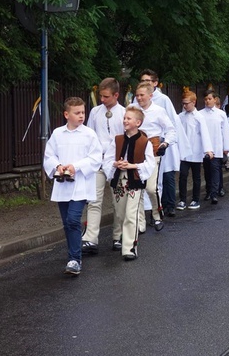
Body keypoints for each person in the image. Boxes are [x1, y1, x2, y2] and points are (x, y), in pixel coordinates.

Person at [43, 97, 102, 275]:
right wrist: (57, 166)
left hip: (81, 185)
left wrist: (76, 167)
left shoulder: (89, 134)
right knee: (67, 223)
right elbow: (49, 155)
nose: (81, 116)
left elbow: (95, 158)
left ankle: (75, 259)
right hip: (63, 185)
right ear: (66, 114)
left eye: (83, 112)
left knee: (73, 220)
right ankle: (72, 254)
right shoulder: (57, 133)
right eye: (77, 113)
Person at [103, 106, 155, 260]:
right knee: (120, 213)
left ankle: (129, 248)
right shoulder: (118, 140)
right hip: (119, 179)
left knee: (131, 214)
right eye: (124, 118)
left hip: (135, 180)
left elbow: (150, 163)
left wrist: (133, 166)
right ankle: (118, 237)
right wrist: (115, 164)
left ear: (138, 122)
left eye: (129, 118)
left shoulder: (145, 142)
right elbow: (107, 158)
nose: (125, 120)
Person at [82, 78, 126, 255]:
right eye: (101, 96)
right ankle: (91, 239)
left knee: (119, 201)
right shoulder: (95, 112)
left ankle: (119, 236)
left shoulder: (124, 113)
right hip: (98, 162)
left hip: (117, 163)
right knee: (94, 200)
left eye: (106, 96)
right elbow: (89, 135)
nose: (102, 99)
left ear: (116, 95)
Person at [137, 70, 189, 219]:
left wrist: (167, 143)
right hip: (138, 150)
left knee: (156, 183)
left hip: (155, 147)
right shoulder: (134, 105)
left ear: (154, 83)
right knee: (140, 183)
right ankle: (141, 217)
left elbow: (172, 124)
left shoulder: (162, 101)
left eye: (148, 81)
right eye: (142, 80)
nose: (145, 84)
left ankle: (159, 211)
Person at [132, 82, 177, 231]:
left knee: (151, 188)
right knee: (137, 187)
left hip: (153, 152)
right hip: (136, 152)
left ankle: (157, 215)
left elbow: (171, 130)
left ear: (150, 95)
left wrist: (166, 144)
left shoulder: (158, 111)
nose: (139, 98)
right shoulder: (132, 110)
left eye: (142, 95)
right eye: (137, 95)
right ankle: (140, 222)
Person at [178, 90, 213, 210]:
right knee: (183, 175)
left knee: (196, 177)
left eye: (187, 103)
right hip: (184, 152)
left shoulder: (199, 117)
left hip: (196, 151)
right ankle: (182, 200)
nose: (184, 105)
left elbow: (205, 134)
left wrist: (208, 149)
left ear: (193, 102)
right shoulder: (180, 116)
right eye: (183, 103)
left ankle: (195, 199)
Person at [200, 90, 229, 202]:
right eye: (206, 99)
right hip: (205, 148)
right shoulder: (200, 114)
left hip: (217, 146)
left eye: (210, 99)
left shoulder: (221, 114)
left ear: (215, 99)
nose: (207, 101)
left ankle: (214, 192)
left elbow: (226, 131)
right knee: (207, 170)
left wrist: (226, 147)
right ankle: (208, 191)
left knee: (215, 169)